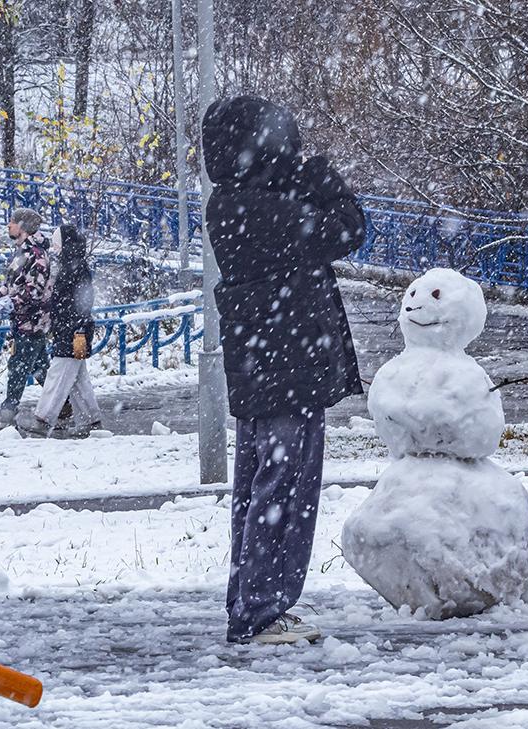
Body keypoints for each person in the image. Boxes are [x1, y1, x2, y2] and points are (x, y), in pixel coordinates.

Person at [202, 95, 366, 645]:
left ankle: (249, 603)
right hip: (287, 369)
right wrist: (321, 177)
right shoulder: (263, 209)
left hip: (266, 368)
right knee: (284, 490)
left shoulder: (232, 202)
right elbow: (347, 230)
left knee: (258, 488)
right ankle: (260, 610)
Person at [23, 223, 101, 437]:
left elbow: (79, 301)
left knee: (57, 375)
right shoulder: (74, 266)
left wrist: (74, 326)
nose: (55, 246)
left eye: (57, 242)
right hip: (73, 329)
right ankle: (91, 421)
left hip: (72, 331)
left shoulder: (73, 268)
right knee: (77, 379)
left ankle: (43, 419)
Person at [0, 207, 52, 427]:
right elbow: (11, 283)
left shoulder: (36, 255)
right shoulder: (22, 252)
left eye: (12, 221)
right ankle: (63, 403)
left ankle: (8, 411)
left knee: (18, 365)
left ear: (23, 226)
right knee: (40, 367)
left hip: (31, 321)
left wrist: (9, 303)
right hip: (22, 320)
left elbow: (34, 292)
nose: (8, 225)